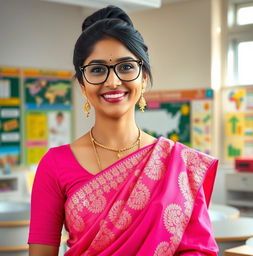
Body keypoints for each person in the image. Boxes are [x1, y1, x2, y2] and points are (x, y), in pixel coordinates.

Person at [28, 5, 219, 256]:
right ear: (83, 85)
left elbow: (198, 250)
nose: (113, 81)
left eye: (126, 66)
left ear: (143, 77)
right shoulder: (54, 165)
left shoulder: (179, 164)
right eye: (97, 70)